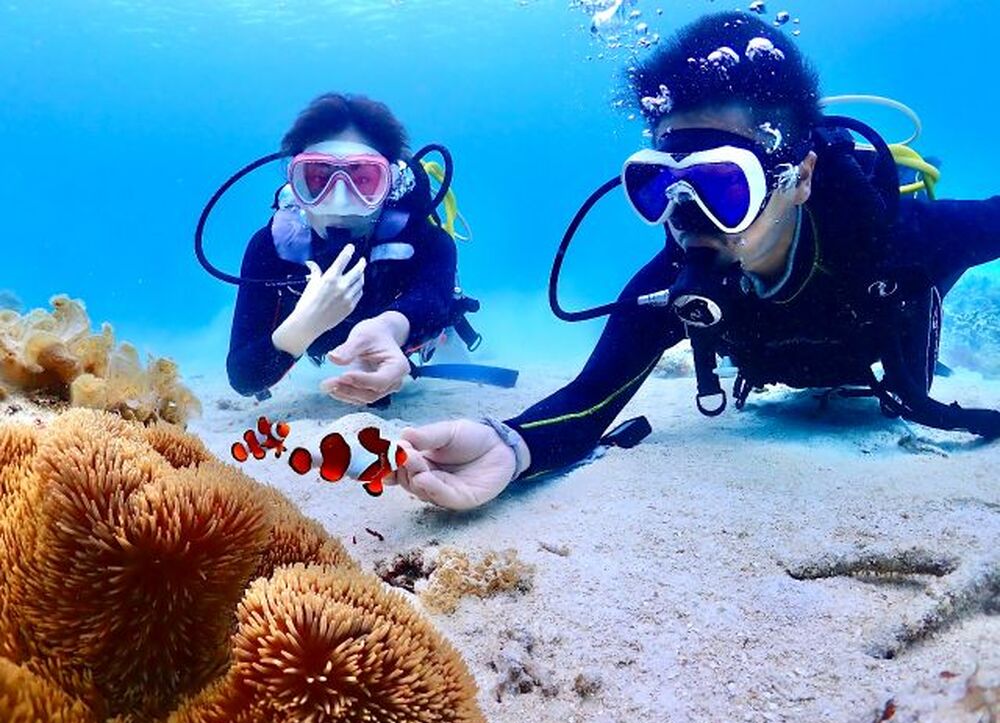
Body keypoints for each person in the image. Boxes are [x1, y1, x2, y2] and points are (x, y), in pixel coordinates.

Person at [391, 11, 1000, 510]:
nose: (687, 217)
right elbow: (590, 396)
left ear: (800, 177)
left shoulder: (897, 239)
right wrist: (511, 446)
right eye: (661, 185)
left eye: (723, 185)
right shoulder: (670, 287)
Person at [226, 93, 469, 404]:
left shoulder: (427, 242)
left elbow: (433, 300)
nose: (340, 201)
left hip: (411, 338)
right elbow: (243, 377)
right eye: (318, 178)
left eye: (363, 179)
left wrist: (389, 328)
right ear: (295, 185)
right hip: (320, 342)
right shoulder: (269, 248)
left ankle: (448, 341)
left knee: (445, 327)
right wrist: (302, 328)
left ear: (391, 183)